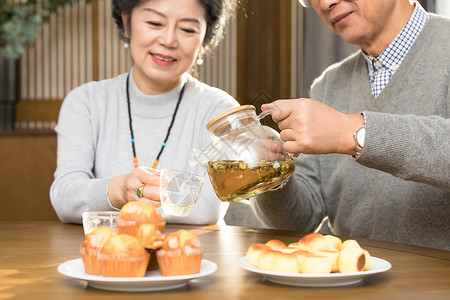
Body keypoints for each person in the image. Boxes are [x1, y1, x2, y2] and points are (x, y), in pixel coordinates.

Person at [251, 0, 450, 250]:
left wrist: (349, 132)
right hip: (350, 283)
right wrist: (271, 175)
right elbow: (297, 221)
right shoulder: (328, 86)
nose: (325, 3)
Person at [50, 0, 239, 225]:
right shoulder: (86, 102)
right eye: (155, 23)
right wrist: (120, 189)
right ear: (127, 22)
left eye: (187, 29)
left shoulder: (221, 111)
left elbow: (209, 206)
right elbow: (65, 196)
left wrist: (133, 196)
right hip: (109, 254)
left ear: (204, 41)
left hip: (191, 255)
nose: (168, 40)